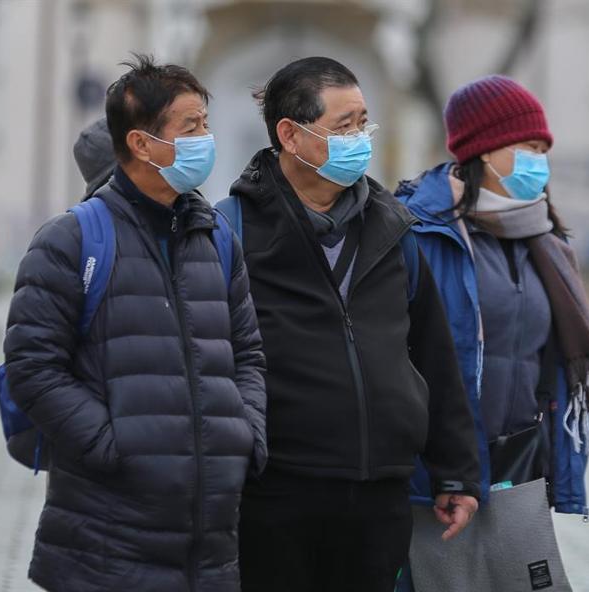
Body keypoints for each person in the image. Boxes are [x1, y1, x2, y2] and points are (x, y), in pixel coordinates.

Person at [3, 54, 266, 592]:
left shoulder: (215, 237)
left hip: (209, 540)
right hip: (105, 537)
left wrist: (245, 435)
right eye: (190, 128)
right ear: (141, 144)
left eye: (206, 125)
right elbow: (32, 367)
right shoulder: (72, 240)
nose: (205, 140)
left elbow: (248, 355)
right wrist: (112, 445)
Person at [225, 57, 481, 592]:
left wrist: (454, 471)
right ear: (290, 136)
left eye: (364, 122)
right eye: (344, 126)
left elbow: (433, 352)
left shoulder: (394, 229)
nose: (359, 138)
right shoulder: (233, 230)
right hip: (275, 493)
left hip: (377, 492)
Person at [395, 75, 589, 590]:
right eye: (525, 146)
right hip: (441, 467)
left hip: (518, 460)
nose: (537, 160)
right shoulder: (421, 230)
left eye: (542, 147)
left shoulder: (542, 237)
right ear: (482, 150)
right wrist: (442, 466)